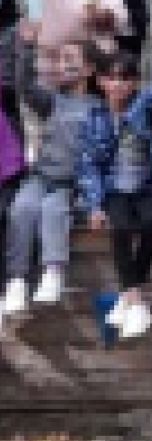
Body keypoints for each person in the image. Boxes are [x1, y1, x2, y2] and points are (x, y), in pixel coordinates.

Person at [77, 44, 152, 340]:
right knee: (121, 228)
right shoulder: (94, 118)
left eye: (125, 78)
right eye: (112, 78)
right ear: (101, 81)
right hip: (115, 189)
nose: (118, 84)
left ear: (134, 82)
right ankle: (135, 299)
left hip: (148, 186)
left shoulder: (144, 106)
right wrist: (95, 206)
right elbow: (89, 166)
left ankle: (129, 296)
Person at [3, 26, 96, 313]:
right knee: (21, 208)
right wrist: (27, 47)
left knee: (53, 211)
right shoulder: (52, 100)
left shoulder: (98, 108)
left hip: (70, 184)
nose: (62, 65)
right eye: (58, 59)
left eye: (70, 59)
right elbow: (24, 86)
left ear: (89, 69)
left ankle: (52, 272)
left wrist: (94, 199)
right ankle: (16, 280)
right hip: (41, 177)